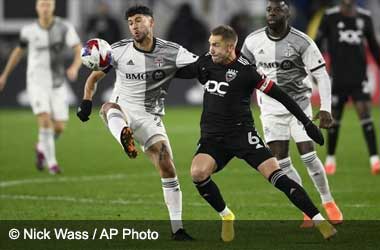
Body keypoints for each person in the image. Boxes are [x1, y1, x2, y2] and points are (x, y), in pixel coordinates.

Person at [176, 25, 336, 242]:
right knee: (198, 173)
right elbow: (178, 71)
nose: (210, 49)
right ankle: (226, 216)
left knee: (277, 176)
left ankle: (319, 220)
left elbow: (282, 96)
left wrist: (306, 123)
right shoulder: (205, 62)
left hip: (243, 136)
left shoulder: (247, 72)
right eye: (210, 44)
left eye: (215, 45)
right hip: (213, 139)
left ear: (230, 46)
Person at [76, 5, 197, 240]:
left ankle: (178, 229)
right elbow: (93, 78)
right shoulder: (118, 51)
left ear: (151, 23)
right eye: (130, 22)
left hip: (150, 117)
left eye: (139, 21)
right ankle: (125, 138)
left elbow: (198, 66)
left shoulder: (171, 51)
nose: (134, 26)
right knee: (108, 108)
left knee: (167, 166)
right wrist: (86, 102)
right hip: (124, 109)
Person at [241, 0, 343, 228]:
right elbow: (241, 72)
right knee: (281, 161)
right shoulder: (252, 40)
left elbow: (322, 75)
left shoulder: (302, 41)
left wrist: (325, 107)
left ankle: (328, 201)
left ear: (288, 13)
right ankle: (307, 208)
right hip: (269, 109)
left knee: (308, 155)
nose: (272, 13)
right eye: (269, 9)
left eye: (278, 9)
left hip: (299, 106)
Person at [0, 0, 82, 174]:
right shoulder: (28, 31)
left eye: (48, 5)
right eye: (42, 5)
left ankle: (41, 146)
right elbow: (17, 52)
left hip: (58, 83)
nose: (45, 8)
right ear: (37, 8)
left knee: (59, 127)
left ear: (53, 7)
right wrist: (5, 75)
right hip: (36, 82)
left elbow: (78, 49)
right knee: (44, 120)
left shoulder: (64, 27)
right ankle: (52, 164)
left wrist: (75, 66)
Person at [315, 0, 380, 175]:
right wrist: (314, 68)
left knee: (365, 114)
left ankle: (375, 160)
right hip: (338, 78)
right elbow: (317, 44)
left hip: (359, 77)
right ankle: (330, 159)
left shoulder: (364, 17)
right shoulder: (330, 16)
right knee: (334, 118)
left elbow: (374, 46)